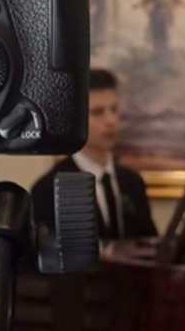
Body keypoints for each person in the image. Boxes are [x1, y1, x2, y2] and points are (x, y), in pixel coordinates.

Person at [30, 69, 158, 241]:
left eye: (114, 109)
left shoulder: (132, 183)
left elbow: (149, 246)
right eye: (98, 112)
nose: (111, 121)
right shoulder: (50, 188)